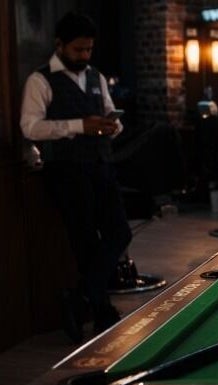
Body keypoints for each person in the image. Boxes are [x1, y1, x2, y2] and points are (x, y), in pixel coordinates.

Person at [20, 11, 130, 341]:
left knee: (119, 232)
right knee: (85, 242)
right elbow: (30, 127)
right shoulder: (39, 81)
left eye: (89, 50)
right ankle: (101, 312)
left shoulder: (96, 76)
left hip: (100, 164)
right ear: (59, 45)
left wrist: (112, 126)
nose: (85, 56)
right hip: (65, 171)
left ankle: (79, 298)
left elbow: (112, 116)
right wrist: (79, 126)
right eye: (78, 50)